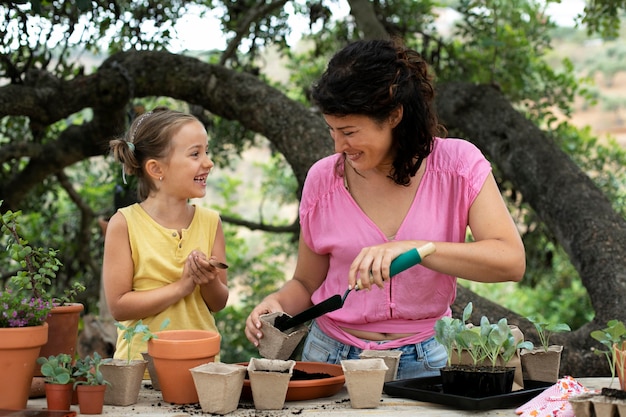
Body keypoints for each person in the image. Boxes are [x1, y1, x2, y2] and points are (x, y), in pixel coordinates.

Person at [245, 39, 526, 380]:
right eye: (331, 130)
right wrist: (277, 303)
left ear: (394, 116)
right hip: (331, 360)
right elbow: (306, 282)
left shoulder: (459, 165)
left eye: (348, 132)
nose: (337, 146)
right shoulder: (323, 178)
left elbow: (510, 260)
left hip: (429, 360)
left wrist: (418, 249)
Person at [103, 106, 229, 362]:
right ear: (156, 169)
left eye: (207, 151)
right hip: (141, 373)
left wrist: (208, 280)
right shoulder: (124, 224)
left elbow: (218, 302)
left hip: (201, 367)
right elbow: (119, 306)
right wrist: (182, 287)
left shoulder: (210, 222)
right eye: (195, 154)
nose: (208, 162)